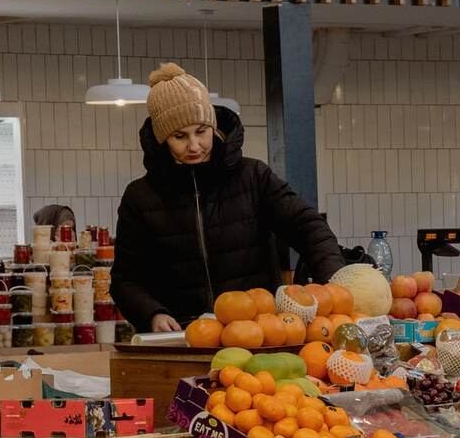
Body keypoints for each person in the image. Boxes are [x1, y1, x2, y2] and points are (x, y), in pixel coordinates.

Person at [111, 64, 347, 333]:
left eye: (201, 131)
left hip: (258, 331)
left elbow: (308, 226)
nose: (194, 145)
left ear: (214, 127)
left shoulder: (253, 177)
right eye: (179, 136)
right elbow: (125, 279)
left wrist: (334, 283)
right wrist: (152, 314)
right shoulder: (140, 197)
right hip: (184, 336)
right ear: (162, 139)